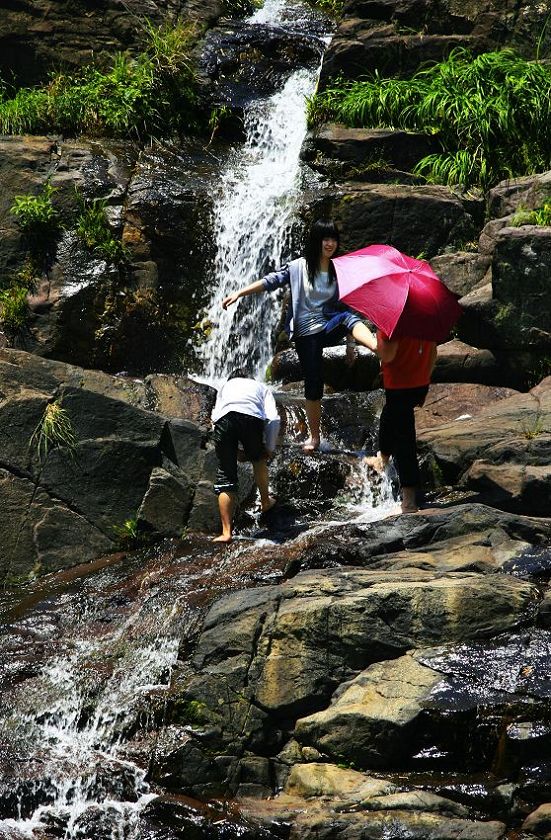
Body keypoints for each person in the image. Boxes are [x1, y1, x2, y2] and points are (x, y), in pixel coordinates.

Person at [222, 220, 377, 452]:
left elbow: (347, 306)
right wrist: (239, 293)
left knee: (347, 317)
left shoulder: (339, 270)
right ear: (316, 240)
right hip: (306, 333)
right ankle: (314, 438)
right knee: (313, 383)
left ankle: (376, 346)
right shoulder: (298, 267)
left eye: (333, 239)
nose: (330, 243)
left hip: (328, 326)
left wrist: (350, 346)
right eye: (325, 238)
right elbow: (270, 281)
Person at [366, 331, 437, 514]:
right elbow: (433, 352)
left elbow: (387, 354)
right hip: (420, 382)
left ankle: (409, 501)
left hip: (399, 384)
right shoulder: (424, 319)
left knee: (404, 439)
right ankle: (383, 457)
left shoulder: (391, 324)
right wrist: (425, 381)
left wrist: (376, 342)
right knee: (389, 414)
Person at [211, 368, 280, 543]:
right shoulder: (260, 386)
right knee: (258, 460)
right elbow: (273, 419)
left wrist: (234, 452)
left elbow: (215, 418)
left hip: (223, 421)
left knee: (226, 476)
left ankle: (226, 532)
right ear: (250, 378)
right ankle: (265, 501)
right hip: (251, 418)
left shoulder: (224, 387)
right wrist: (269, 448)